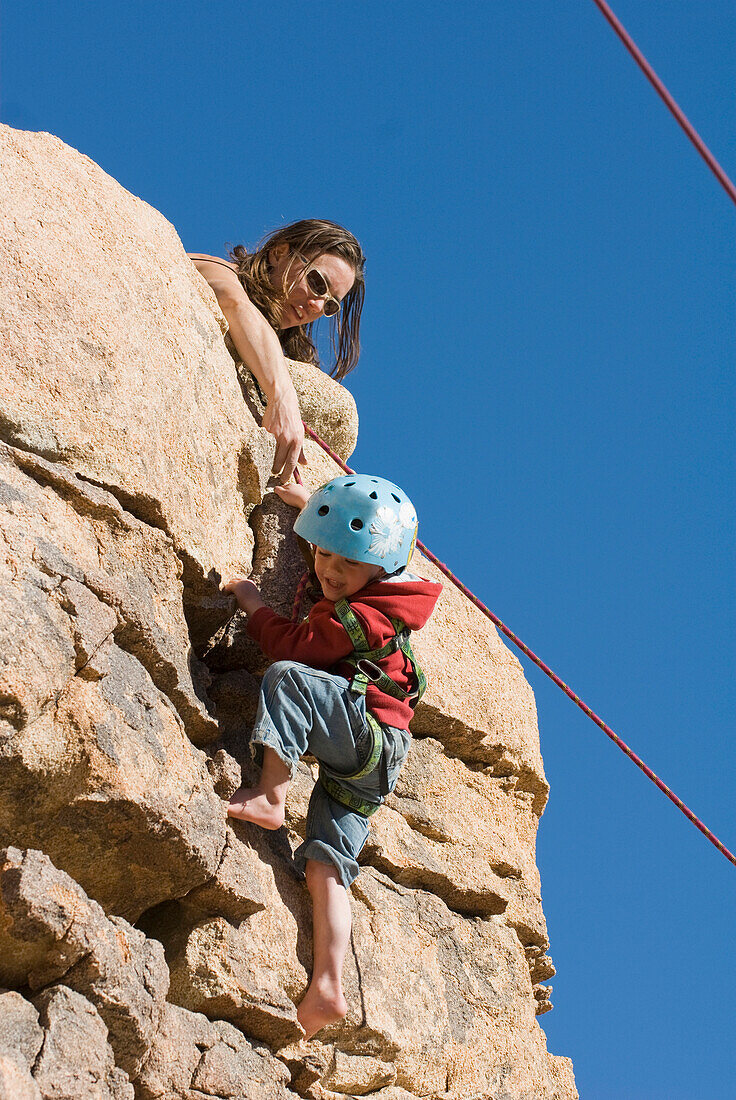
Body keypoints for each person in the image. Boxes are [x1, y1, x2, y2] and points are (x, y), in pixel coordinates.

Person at [222, 475, 442, 1038]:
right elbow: (342, 558)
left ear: (380, 566)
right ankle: (328, 984)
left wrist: (251, 601)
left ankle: (271, 793)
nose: (327, 569)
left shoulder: (361, 616)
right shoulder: (375, 592)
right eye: (321, 550)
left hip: (365, 733)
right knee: (327, 862)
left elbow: (295, 646)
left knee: (290, 678)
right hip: (376, 756)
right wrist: (307, 509)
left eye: (345, 561)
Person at [189, 220, 366, 483]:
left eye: (330, 305)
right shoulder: (217, 269)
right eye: (317, 282)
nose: (317, 306)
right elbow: (233, 301)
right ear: (280, 253)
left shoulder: (283, 350)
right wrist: (282, 396)